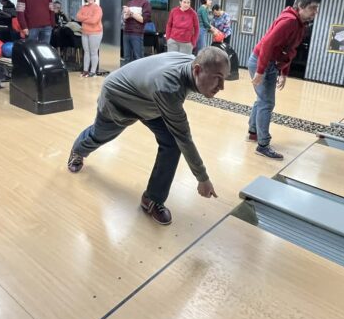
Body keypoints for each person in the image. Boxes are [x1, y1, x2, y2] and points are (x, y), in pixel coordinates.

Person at [67, 47, 229, 225]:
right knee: (100, 135)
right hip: (118, 96)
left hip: (150, 100)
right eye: (217, 78)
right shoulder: (169, 87)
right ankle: (78, 150)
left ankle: (152, 199)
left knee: (172, 143)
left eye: (224, 79)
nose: (221, 87)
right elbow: (184, 137)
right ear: (197, 70)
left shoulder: (191, 65)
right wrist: (202, 178)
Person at [247, 0, 321, 160]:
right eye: (312, 8)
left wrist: (284, 72)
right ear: (301, 6)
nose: (315, 12)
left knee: (262, 99)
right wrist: (260, 71)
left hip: (270, 63)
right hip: (262, 61)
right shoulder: (289, 21)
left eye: (316, 8)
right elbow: (267, 44)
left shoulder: (300, 24)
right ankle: (263, 145)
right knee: (267, 102)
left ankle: (253, 132)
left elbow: (289, 49)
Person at [122, 0, 152, 64]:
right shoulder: (130, 2)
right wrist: (127, 14)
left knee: (138, 58)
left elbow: (143, 20)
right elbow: (124, 18)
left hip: (137, 34)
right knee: (127, 58)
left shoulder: (145, 2)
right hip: (126, 32)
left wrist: (131, 13)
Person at [76, 0, 103, 78]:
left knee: (93, 52)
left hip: (95, 33)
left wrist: (84, 18)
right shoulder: (83, 7)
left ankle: (93, 71)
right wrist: (89, 17)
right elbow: (78, 17)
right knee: (86, 52)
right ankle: (85, 70)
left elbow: (94, 21)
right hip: (85, 32)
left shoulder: (97, 8)